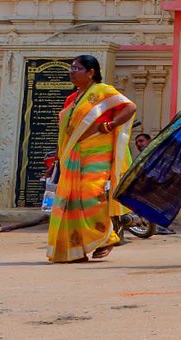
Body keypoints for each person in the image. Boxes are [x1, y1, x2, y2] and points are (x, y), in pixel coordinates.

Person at [47, 54, 136, 263]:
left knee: (91, 194)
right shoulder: (72, 98)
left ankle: (106, 238)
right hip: (73, 153)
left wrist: (110, 125)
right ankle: (76, 248)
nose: (71, 72)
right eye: (70, 68)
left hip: (97, 150)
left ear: (91, 72)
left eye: (76, 68)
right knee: (70, 200)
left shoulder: (102, 91)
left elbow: (130, 107)